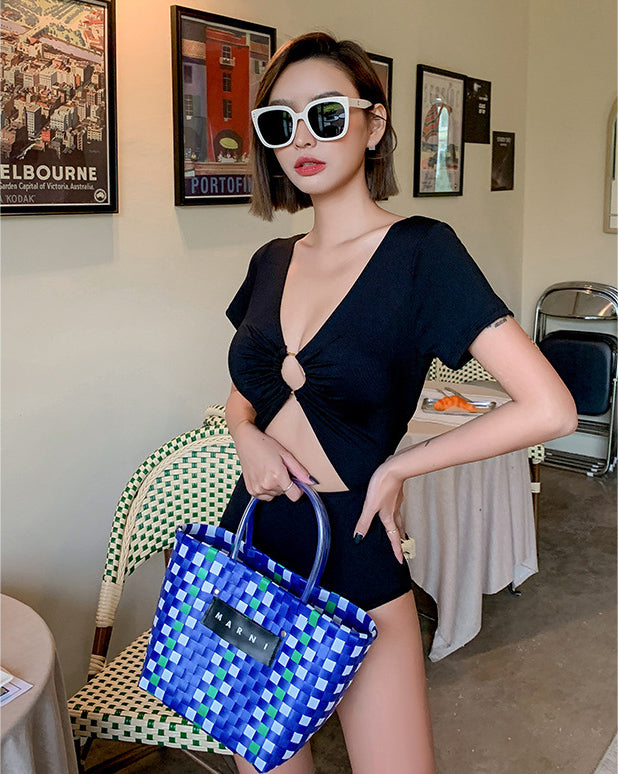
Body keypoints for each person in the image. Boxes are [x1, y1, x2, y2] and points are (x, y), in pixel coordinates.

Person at [220, 32, 577, 774]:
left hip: (353, 546)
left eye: (325, 114)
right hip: (253, 539)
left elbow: (551, 408)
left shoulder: (421, 253)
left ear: (374, 125)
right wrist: (244, 435)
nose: (301, 139)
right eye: (280, 123)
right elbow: (243, 395)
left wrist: (398, 469)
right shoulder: (271, 261)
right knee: (265, 761)